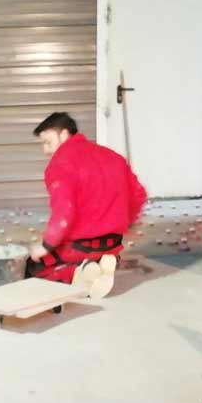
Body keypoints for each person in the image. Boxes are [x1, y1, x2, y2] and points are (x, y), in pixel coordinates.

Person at [27, 112, 147, 284]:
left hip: (79, 247)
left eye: (48, 143)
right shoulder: (113, 157)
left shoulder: (61, 164)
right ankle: (102, 263)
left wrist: (46, 246)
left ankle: (78, 271)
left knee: (33, 268)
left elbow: (64, 210)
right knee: (89, 252)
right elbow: (139, 195)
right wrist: (127, 224)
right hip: (113, 243)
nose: (46, 150)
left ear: (64, 134)